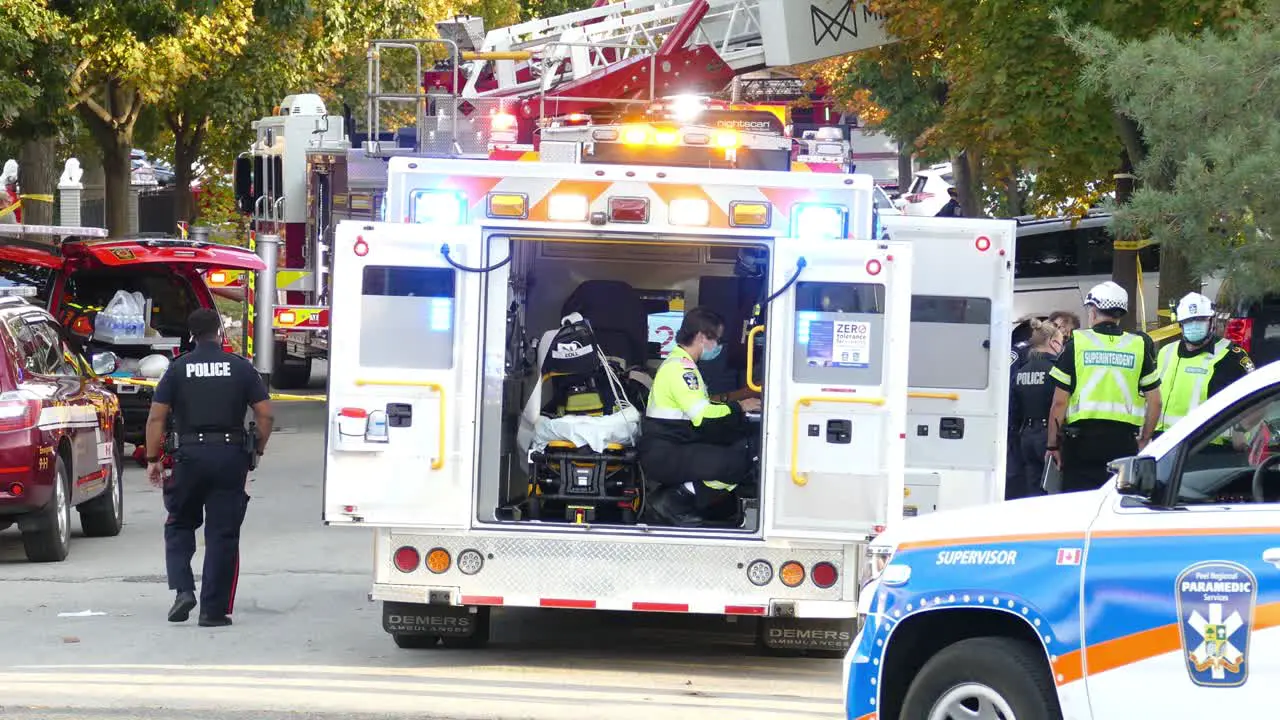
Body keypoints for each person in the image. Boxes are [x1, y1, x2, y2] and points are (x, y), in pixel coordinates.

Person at [145, 308, 273, 627]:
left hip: (188, 457)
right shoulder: (240, 368)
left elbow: (156, 417)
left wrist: (152, 459)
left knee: (179, 524)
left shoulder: (178, 369)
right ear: (219, 332)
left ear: (191, 335)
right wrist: (257, 448)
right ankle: (212, 612)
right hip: (230, 457)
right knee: (222, 535)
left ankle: (184, 590)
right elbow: (265, 414)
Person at [639, 307, 762, 526]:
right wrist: (739, 408)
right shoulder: (681, 369)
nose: (719, 346)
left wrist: (734, 408)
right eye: (718, 339)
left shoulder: (679, 364)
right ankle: (672, 501)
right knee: (737, 462)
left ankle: (682, 497)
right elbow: (703, 416)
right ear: (701, 337)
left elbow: (700, 408)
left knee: (732, 450)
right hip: (666, 451)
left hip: (671, 445)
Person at [1047, 282, 1161, 493]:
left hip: (1081, 444)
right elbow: (1155, 401)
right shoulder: (1137, 346)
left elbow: (1060, 402)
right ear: (1121, 313)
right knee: (1117, 505)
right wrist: (1145, 438)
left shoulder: (1077, 343)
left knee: (1079, 505)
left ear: (1092, 311)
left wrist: (1052, 445)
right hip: (1123, 444)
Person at [1154, 292, 1255, 454]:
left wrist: (1242, 429)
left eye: (1200, 320)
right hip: (1164, 444)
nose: (1194, 325)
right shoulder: (1166, 352)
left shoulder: (1232, 356)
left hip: (1209, 447)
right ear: (1180, 324)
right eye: (1188, 321)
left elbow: (1257, 399)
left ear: (1212, 321)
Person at [1010, 320, 1064, 498]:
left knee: (1032, 488)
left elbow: (1014, 408)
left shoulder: (1021, 371)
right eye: (1061, 342)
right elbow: (1060, 405)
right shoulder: (1056, 370)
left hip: (1026, 436)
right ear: (1052, 342)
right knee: (1054, 489)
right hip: (1048, 436)